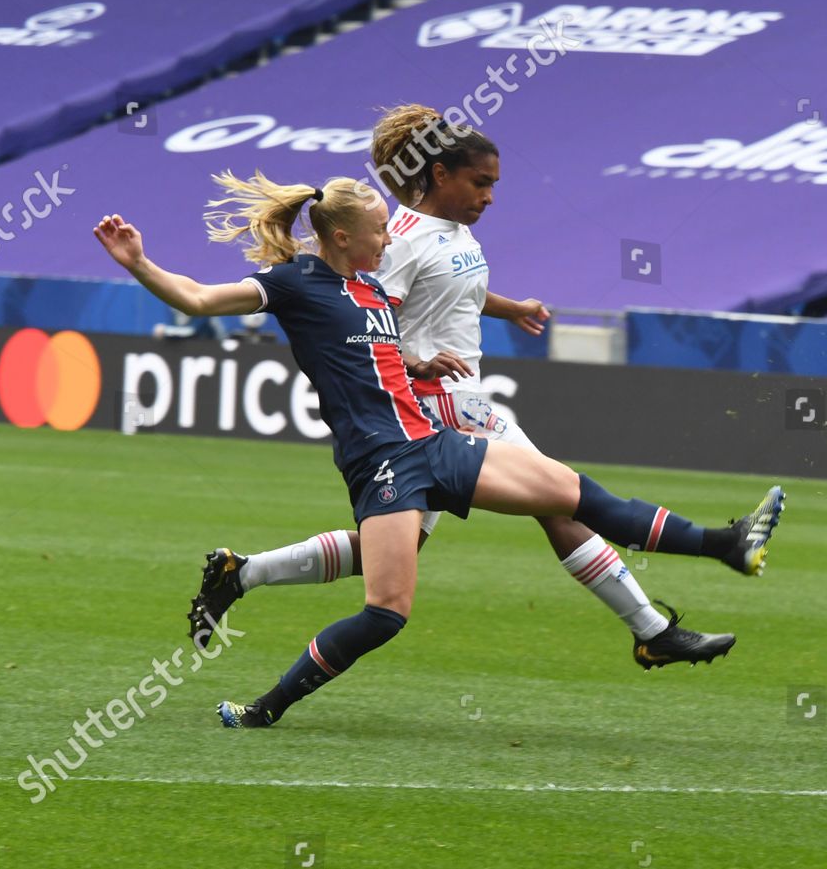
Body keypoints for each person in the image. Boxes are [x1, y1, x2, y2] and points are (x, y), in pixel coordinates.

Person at [94, 173, 784, 729]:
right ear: (341, 236)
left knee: (576, 494)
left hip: (434, 440)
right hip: (383, 462)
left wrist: (417, 364)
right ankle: (265, 707)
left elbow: (373, 354)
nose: (389, 233)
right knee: (386, 610)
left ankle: (724, 543)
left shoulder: (368, 284)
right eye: (377, 228)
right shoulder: (294, 283)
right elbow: (195, 297)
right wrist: (139, 263)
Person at [188, 109, 748, 671]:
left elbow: (455, 289)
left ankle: (245, 571)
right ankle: (657, 622)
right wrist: (413, 368)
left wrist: (510, 307)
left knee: (397, 550)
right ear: (438, 175)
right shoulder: (399, 240)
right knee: (566, 502)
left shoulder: (450, 234)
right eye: (481, 183)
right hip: (442, 406)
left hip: (454, 400)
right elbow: (366, 313)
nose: (489, 197)